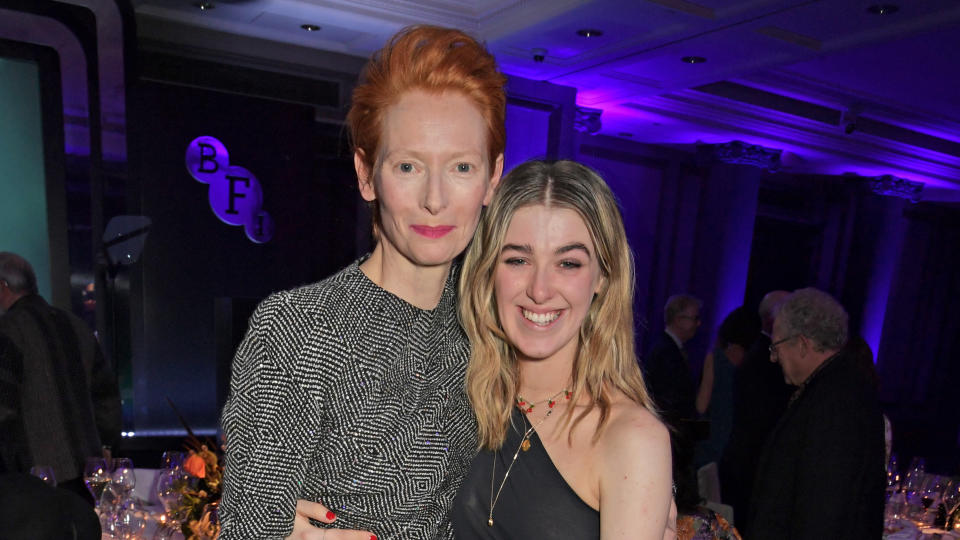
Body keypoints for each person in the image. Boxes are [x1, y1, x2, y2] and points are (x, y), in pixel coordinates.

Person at [218, 25, 505, 539]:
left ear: (492, 178)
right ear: (366, 174)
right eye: (408, 166)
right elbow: (247, 531)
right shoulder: (297, 331)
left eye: (462, 166)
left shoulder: (496, 322)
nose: (435, 199)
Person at [451, 160, 674, 539]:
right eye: (518, 260)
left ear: (603, 276)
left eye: (568, 263)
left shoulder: (631, 438)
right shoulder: (458, 392)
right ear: (488, 270)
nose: (540, 290)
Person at [747, 287, 885, 539]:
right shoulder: (839, 385)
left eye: (776, 347)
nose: (773, 358)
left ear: (802, 344)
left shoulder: (836, 403)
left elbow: (823, 510)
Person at [0, 252, 121, 502]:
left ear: (3, 286)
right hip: (89, 476)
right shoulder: (76, 325)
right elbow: (106, 395)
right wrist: (106, 445)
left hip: (37, 480)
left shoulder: (8, 330)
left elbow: (3, 408)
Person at [719, 290, 791, 525]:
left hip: (745, 458)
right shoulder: (765, 358)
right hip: (750, 464)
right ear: (774, 318)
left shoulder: (757, 352)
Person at [644, 294, 703, 512]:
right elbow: (667, 401)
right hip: (671, 438)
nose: (698, 324)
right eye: (694, 318)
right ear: (678, 319)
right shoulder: (665, 351)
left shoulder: (669, 349)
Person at [693, 306, 760, 469]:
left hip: (714, 435)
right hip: (741, 441)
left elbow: (701, 406)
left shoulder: (716, 358)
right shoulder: (756, 363)